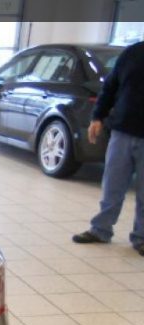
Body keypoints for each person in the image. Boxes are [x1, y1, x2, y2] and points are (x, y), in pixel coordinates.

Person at [72, 40, 144, 255]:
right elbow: (111, 86)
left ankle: (141, 237)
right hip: (122, 131)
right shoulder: (133, 52)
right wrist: (98, 116)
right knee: (112, 185)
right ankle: (100, 230)